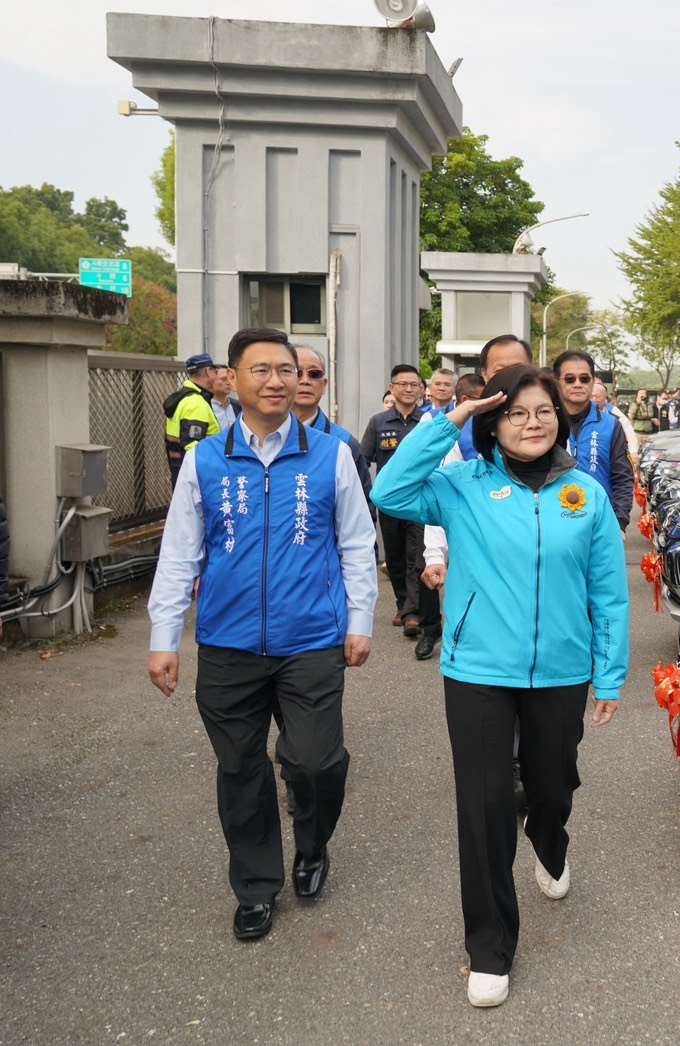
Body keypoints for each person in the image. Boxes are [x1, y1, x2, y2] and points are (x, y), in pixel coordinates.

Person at [369, 365, 629, 1009]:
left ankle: (550, 839)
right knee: (484, 806)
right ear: (493, 422)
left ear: (560, 418)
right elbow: (391, 491)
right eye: (515, 412)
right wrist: (449, 419)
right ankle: (488, 947)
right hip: (478, 671)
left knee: (552, 783)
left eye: (543, 410)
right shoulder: (461, 485)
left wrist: (609, 673)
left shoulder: (585, 495)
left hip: (562, 671)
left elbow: (608, 593)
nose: (532, 422)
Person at [146, 326, 377, 942]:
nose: (277, 381)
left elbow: (357, 543)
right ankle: (255, 886)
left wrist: (359, 621)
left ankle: (313, 844)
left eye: (287, 370)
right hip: (228, 643)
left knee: (315, 762)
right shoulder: (206, 459)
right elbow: (181, 552)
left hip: (312, 640)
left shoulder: (330, 454)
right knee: (240, 769)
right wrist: (165, 636)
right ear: (233, 379)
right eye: (262, 370)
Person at [418, 335, 533, 661]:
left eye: (518, 367)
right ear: (485, 375)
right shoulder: (462, 425)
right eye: (500, 369)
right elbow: (441, 493)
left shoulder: (547, 421)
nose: (510, 376)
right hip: (477, 553)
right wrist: (435, 554)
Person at [361, 364, 427, 637]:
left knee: (417, 555)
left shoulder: (428, 421)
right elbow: (364, 459)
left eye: (414, 384)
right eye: (403, 384)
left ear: (421, 389)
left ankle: (413, 611)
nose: (409, 389)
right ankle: (403, 604)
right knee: (396, 557)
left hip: (421, 500)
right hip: (389, 502)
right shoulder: (378, 422)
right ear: (392, 388)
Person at [553, 351, 633, 530]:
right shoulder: (545, 423)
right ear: (557, 383)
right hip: (555, 523)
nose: (578, 384)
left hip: (601, 524)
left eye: (584, 379)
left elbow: (623, 478)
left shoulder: (611, 425)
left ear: (592, 382)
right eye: (569, 379)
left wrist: (619, 523)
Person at [291, 345, 371, 500]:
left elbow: (362, 508)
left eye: (314, 374)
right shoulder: (262, 438)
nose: (305, 381)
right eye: (297, 373)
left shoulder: (344, 443)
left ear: (324, 384)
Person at [163, 353, 222, 487]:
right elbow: (193, 447)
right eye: (215, 371)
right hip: (197, 478)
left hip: (180, 471)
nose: (216, 375)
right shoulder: (195, 402)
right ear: (207, 371)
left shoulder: (184, 398)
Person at [593, 379, 640, 468]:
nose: (595, 388)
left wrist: (633, 452)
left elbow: (628, 431)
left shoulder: (613, 411)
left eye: (599, 385)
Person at [210, 366, 239, 431]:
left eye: (230, 378)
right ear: (211, 381)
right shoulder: (206, 407)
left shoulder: (238, 405)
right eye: (224, 379)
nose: (229, 382)